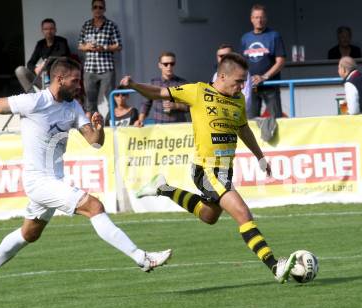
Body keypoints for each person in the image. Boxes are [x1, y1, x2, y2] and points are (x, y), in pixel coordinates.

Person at [0, 58, 172, 302]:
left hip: (55, 180)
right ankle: (142, 258)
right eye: (75, 80)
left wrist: (98, 127)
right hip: (38, 181)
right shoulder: (34, 101)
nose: (79, 85)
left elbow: (95, 142)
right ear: (60, 79)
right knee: (94, 207)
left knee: (30, 233)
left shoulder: (73, 107)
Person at [120, 52, 296, 284]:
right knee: (243, 214)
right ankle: (275, 266)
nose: (242, 86)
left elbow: (243, 129)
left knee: (208, 215)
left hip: (225, 170)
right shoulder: (198, 91)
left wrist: (260, 157)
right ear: (222, 76)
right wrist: (133, 85)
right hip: (206, 169)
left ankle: (163, 188)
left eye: (244, 81)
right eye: (238, 81)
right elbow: (158, 92)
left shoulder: (238, 100)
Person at [78, 0, 122, 120]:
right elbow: (80, 45)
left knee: (110, 98)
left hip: (106, 68)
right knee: (90, 100)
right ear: (92, 9)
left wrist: (104, 48)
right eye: (95, 7)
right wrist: (87, 47)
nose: (98, 9)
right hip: (90, 68)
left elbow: (118, 46)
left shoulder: (111, 25)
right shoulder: (86, 25)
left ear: (104, 9)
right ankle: (93, 124)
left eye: (100, 7)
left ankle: (110, 122)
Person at [241, 4, 286, 120]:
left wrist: (264, 77)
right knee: (250, 122)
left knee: (276, 121)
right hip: (251, 87)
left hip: (270, 86)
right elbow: (241, 63)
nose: (259, 20)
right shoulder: (245, 38)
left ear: (266, 18)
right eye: (256, 17)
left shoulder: (274, 36)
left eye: (261, 17)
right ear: (251, 19)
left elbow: (280, 62)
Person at [15, 18, 71, 92]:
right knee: (20, 70)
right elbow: (30, 63)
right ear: (42, 31)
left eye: (51, 28)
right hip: (44, 78)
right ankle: (32, 96)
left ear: (55, 30)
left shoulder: (62, 42)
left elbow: (63, 56)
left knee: (47, 69)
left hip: (58, 79)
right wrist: (36, 69)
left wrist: (45, 62)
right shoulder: (40, 44)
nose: (49, 31)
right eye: (46, 29)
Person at [136, 51, 189, 126]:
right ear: (160, 65)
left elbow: (190, 106)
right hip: (160, 128)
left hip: (179, 127)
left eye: (172, 64)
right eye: (165, 64)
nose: (169, 67)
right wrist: (140, 120)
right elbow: (146, 104)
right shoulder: (153, 82)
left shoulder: (182, 83)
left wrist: (176, 106)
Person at [212, 43, 252, 115]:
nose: (224, 58)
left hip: (238, 116)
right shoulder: (215, 75)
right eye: (221, 56)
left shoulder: (242, 73)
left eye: (227, 55)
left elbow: (246, 98)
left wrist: (236, 114)